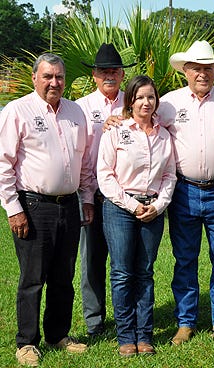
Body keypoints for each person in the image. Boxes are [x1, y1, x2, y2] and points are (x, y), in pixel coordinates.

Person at [0, 53, 95, 367]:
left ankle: (58, 335)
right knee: (32, 278)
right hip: (34, 206)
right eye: (47, 76)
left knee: (63, 276)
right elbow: (4, 165)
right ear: (34, 78)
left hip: (68, 205)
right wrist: (14, 209)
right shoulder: (18, 110)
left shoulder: (76, 112)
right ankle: (26, 343)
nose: (54, 82)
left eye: (59, 77)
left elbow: (82, 163)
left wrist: (87, 198)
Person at [158, 40, 214, 345]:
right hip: (183, 190)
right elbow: (146, 128)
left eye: (208, 67)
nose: (203, 73)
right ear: (185, 70)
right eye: (196, 68)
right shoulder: (169, 103)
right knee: (185, 258)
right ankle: (186, 321)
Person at [97, 75, 176, 356]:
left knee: (145, 273)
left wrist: (159, 205)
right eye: (140, 97)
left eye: (151, 97)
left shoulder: (164, 135)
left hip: (153, 210)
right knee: (121, 273)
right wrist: (133, 206)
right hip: (120, 209)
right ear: (130, 100)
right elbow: (104, 176)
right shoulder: (116, 131)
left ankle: (145, 335)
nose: (146, 102)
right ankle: (125, 336)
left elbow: (169, 175)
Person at [77, 42, 136, 337]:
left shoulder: (134, 103)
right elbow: (80, 153)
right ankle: (94, 319)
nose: (109, 75)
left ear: (122, 74)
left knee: (128, 261)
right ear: (94, 75)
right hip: (94, 193)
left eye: (114, 69)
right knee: (92, 259)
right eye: (103, 70)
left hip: (128, 196)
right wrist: (86, 196)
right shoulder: (82, 107)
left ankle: (131, 314)